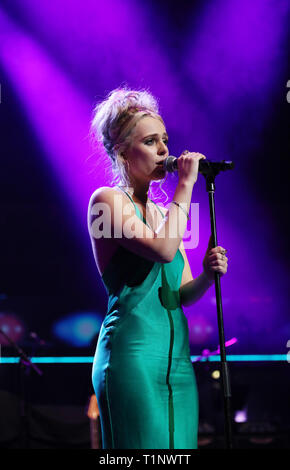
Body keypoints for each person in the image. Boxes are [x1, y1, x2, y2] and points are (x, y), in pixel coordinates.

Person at [87, 87, 228, 449]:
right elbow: (163, 251)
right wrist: (185, 184)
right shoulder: (106, 202)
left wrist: (207, 276)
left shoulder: (167, 216)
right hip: (132, 358)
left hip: (178, 364)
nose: (165, 150)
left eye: (165, 140)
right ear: (121, 151)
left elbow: (180, 295)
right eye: (151, 141)